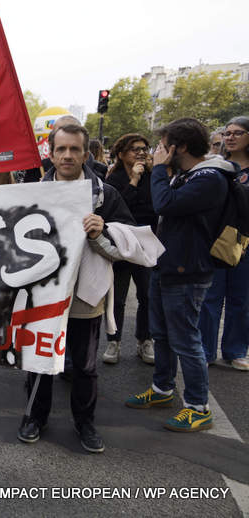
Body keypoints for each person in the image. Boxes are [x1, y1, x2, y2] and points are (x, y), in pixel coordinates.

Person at [18, 124, 135, 453]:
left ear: (86, 154)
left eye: (74, 149)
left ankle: (85, 422)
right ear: (51, 154)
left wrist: (102, 233)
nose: (67, 155)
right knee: (38, 359)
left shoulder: (105, 195)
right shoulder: (31, 192)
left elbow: (127, 248)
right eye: (61, 149)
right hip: (42, 294)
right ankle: (34, 418)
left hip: (85, 296)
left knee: (84, 366)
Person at [126, 118, 234, 432]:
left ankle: (198, 407)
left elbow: (165, 204)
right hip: (167, 265)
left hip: (189, 271)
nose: (157, 151)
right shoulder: (188, 175)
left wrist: (159, 170)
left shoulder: (211, 177)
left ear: (180, 147)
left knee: (186, 340)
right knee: (162, 334)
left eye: (162, 145)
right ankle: (162, 389)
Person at [197, 116, 249, 371]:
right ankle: (205, 350)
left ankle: (235, 350)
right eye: (228, 133)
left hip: (245, 244)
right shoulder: (217, 167)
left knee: (241, 299)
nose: (230, 137)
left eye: (238, 133)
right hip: (216, 241)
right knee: (210, 298)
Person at [102, 133, 157, 365]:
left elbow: (157, 206)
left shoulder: (155, 177)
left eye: (144, 148)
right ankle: (114, 341)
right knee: (118, 297)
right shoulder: (113, 180)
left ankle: (145, 340)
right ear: (122, 154)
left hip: (146, 242)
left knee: (147, 294)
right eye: (135, 149)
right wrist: (133, 181)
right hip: (122, 242)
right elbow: (116, 208)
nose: (141, 153)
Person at [39, 116, 108, 180]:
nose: (67, 156)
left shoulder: (101, 178)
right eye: (59, 132)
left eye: (74, 149)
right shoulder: (40, 168)